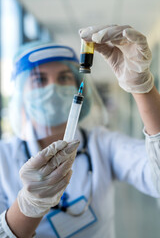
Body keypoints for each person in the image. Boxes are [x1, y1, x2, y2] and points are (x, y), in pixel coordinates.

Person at [0, 25, 160, 238]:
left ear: (78, 86)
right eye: (40, 80)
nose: (53, 88)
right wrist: (29, 205)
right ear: (21, 94)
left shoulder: (102, 143)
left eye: (65, 78)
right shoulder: (3, 157)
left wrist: (143, 89)